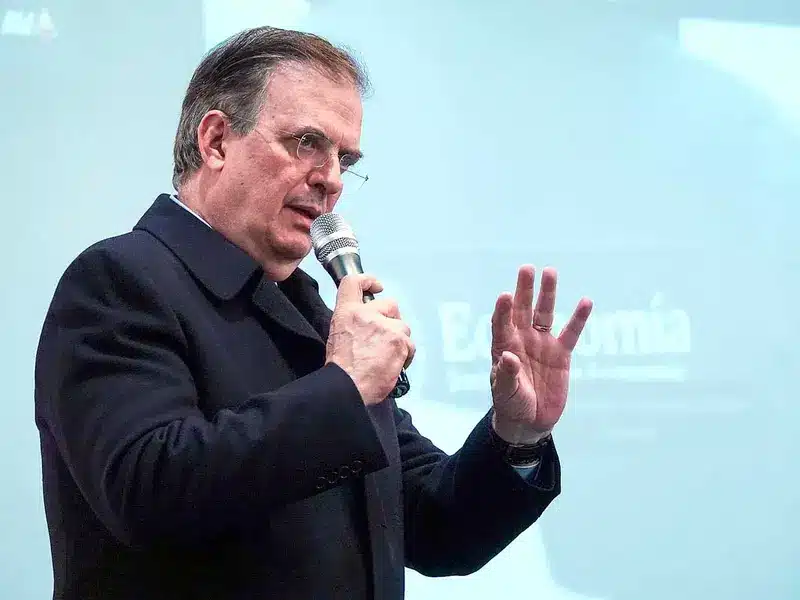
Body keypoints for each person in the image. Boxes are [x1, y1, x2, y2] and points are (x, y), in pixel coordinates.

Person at [33, 26, 593, 600]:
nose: (332, 180)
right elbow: (146, 492)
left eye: (344, 158)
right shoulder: (119, 281)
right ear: (217, 141)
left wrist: (517, 438)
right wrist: (343, 386)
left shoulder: (312, 313)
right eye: (306, 142)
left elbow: (435, 527)